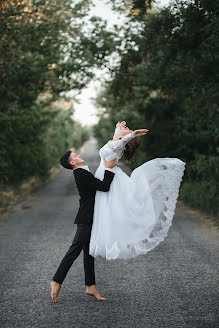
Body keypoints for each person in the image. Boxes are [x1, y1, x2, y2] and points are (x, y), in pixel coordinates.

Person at [89, 121, 186, 260]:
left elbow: (120, 142)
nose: (127, 129)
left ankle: (120, 238)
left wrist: (132, 135)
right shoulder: (116, 141)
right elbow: (117, 138)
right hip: (105, 173)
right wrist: (119, 128)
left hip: (109, 175)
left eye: (128, 130)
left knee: (114, 208)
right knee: (107, 210)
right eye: (127, 129)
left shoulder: (119, 145)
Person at [50, 150, 117, 303]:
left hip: (89, 218)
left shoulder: (82, 173)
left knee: (89, 253)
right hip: (86, 219)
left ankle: (91, 286)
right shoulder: (81, 174)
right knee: (73, 251)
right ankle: (56, 281)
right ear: (72, 163)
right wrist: (109, 168)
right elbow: (104, 186)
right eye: (76, 156)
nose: (79, 156)